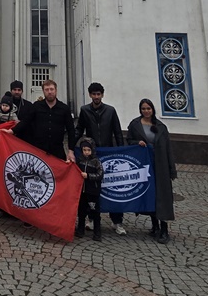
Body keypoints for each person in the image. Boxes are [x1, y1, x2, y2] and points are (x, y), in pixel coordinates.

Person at [75, 82, 127, 235]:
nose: (96, 97)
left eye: (98, 94)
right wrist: (72, 146)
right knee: (91, 188)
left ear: (102, 95)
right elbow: (79, 129)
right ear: (90, 95)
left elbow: (117, 131)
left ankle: (117, 220)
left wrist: (121, 151)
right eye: (94, 94)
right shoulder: (85, 110)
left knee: (113, 186)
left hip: (108, 152)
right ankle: (91, 218)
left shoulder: (110, 110)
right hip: (92, 154)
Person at [127, 98, 177, 244]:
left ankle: (164, 229)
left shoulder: (161, 127)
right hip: (145, 164)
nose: (146, 111)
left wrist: (171, 169)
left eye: (148, 108)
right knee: (150, 194)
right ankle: (154, 225)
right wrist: (137, 143)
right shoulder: (135, 125)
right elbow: (129, 140)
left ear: (152, 109)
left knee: (162, 196)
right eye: (143, 109)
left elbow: (168, 149)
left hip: (160, 165)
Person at [2, 79, 75, 162]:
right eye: (47, 90)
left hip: (57, 150)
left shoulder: (64, 108)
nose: (49, 92)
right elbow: (26, 121)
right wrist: (11, 131)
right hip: (39, 150)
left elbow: (71, 130)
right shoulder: (36, 106)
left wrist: (71, 151)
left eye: (51, 89)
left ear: (56, 90)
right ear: (43, 91)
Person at [75, 137, 104, 241]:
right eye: (84, 150)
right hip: (82, 191)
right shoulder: (79, 160)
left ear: (92, 150)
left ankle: (97, 233)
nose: (86, 152)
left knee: (95, 212)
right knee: (81, 211)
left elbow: (100, 174)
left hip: (93, 191)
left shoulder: (96, 161)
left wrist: (88, 176)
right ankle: (80, 230)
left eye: (88, 150)